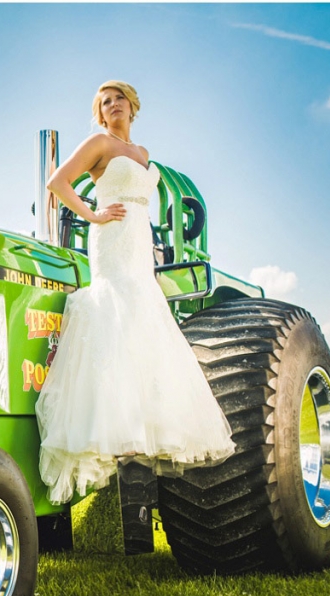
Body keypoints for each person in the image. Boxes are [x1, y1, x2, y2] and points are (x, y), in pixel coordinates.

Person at [34, 80, 236, 505]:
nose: (113, 105)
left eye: (119, 98)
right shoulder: (98, 142)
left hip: (140, 241)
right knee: (117, 308)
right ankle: (111, 427)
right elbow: (57, 182)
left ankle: (144, 428)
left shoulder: (143, 154)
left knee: (145, 314)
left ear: (132, 105)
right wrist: (93, 213)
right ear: (101, 113)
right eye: (105, 102)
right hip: (111, 235)